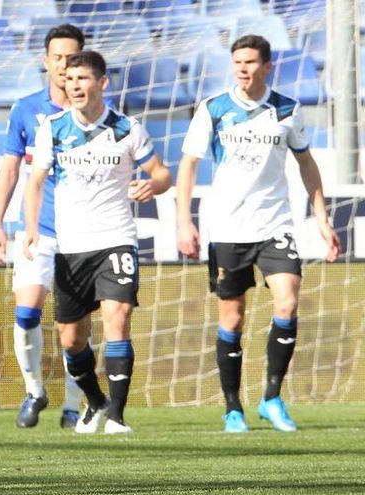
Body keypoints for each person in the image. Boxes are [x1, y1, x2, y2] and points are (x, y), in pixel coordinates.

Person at [176, 34, 340, 433]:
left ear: (267, 66)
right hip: (228, 227)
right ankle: (233, 409)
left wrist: (321, 217)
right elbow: (189, 165)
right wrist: (184, 220)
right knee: (232, 318)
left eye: (250, 62)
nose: (243, 69)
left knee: (287, 301)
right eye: (238, 62)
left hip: (275, 224)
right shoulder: (213, 108)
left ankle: (271, 398)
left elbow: (306, 163)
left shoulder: (287, 109)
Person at [24, 50, 171, 435]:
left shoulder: (126, 128)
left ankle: (117, 416)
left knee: (117, 319)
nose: (75, 86)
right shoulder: (53, 128)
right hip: (70, 246)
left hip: (116, 239)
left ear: (102, 83)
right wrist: (31, 228)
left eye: (83, 79)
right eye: (70, 79)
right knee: (71, 338)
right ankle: (96, 401)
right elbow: (35, 181)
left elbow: (162, 173)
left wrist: (153, 185)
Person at [0, 23, 86, 429]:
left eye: (71, 57)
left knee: (74, 326)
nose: (64, 65)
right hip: (36, 230)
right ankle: (35, 391)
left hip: (83, 234)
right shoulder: (26, 110)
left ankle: (73, 406)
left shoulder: (95, 111)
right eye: (57, 57)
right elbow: (10, 170)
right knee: (26, 312)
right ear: (46, 61)